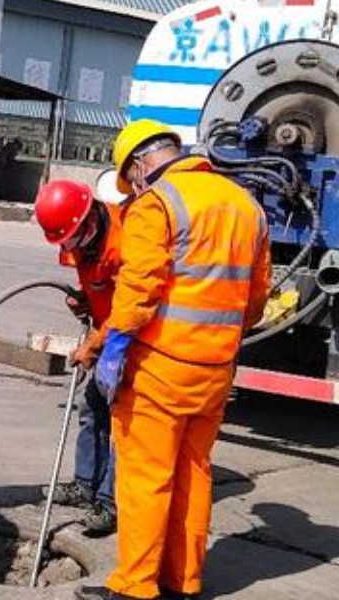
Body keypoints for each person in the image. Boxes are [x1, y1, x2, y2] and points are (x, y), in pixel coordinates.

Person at [75, 120, 271, 600]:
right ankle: (183, 582)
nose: (134, 186)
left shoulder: (157, 204)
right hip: (216, 369)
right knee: (194, 472)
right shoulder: (248, 207)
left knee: (146, 477)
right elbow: (257, 302)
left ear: (141, 164)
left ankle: (135, 587)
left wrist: (107, 347)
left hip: (160, 368)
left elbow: (138, 293)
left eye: (131, 177)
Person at [35, 179, 127, 535]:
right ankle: (85, 485)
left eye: (74, 239)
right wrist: (87, 300)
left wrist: (93, 345)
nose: (71, 249)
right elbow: (99, 287)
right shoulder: (77, 241)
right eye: (65, 243)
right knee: (93, 409)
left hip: (135, 335)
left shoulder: (127, 240)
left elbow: (132, 306)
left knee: (122, 422)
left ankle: (110, 503)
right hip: (109, 331)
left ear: (90, 218)